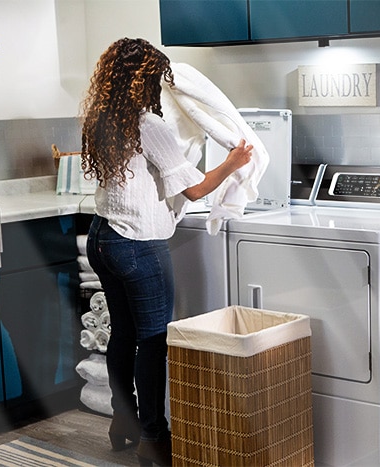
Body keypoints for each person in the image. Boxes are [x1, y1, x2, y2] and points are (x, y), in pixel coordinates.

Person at [80, 38, 252, 466]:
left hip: (103, 237)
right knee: (154, 342)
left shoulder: (100, 116)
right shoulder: (149, 125)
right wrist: (235, 161)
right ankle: (154, 439)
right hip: (138, 244)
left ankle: (123, 420)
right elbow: (193, 189)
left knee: (123, 333)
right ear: (144, 80)